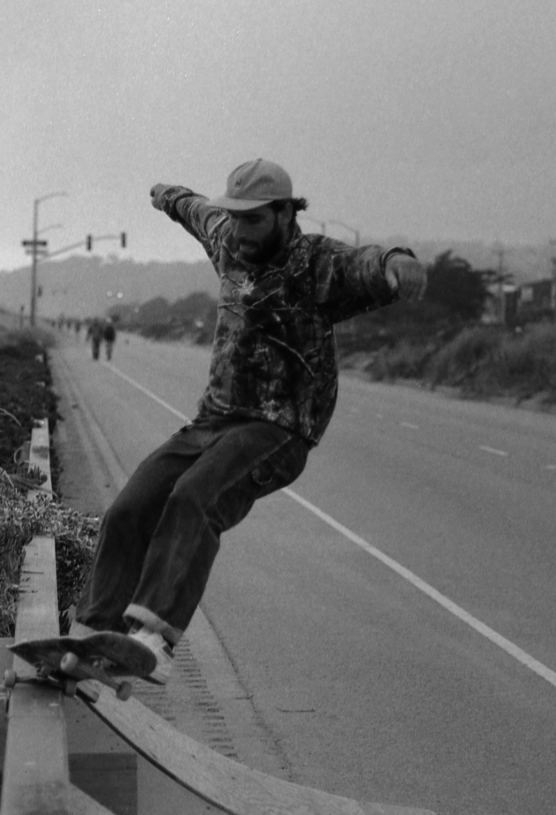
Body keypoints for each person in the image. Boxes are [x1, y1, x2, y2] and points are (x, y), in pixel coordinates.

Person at [67, 158, 426, 681]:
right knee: (131, 507)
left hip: (277, 430)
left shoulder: (316, 265)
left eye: (254, 220)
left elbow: (364, 264)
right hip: (213, 421)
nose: (240, 231)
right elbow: (195, 210)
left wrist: (398, 260)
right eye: (235, 219)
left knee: (196, 497)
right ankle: (90, 637)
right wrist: (165, 193)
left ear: (285, 214)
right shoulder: (227, 239)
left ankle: (153, 638)